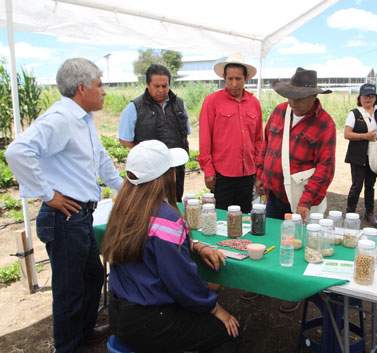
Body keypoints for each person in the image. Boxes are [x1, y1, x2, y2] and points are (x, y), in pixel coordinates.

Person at [5, 58, 123, 353]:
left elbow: (101, 162)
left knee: (94, 276)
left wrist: (126, 190)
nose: (104, 91)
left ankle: (83, 332)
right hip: (63, 217)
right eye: (99, 84)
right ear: (82, 88)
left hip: (80, 217)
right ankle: (68, 347)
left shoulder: (83, 119)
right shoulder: (60, 119)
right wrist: (47, 194)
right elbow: (17, 151)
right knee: (69, 291)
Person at [101, 140, 240, 352]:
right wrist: (214, 307)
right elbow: (182, 283)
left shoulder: (122, 208)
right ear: (166, 176)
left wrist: (194, 245)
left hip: (118, 315)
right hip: (150, 321)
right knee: (229, 334)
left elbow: (148, 240)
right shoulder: (166, 218)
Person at [255, 67, 336, 312]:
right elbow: (266, 145)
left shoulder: (325, 124)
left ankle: (292, 292)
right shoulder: (280, 112)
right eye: (290, 96)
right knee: (270, 239)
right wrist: (260, 174)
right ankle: (263, 283)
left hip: (300, 197)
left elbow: (325, 168)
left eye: (299, 98)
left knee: (296, 245)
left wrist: (306, 201)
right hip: (274, 192)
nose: (293, 102)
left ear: (314, 97)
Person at [198, 53, 263, 213]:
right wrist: (209, 170)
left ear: (246, 78)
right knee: (221, 218)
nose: (234, 84)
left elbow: (258, 140)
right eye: (230, 79)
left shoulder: (254, 103)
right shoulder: (212, 101)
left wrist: (258, 171)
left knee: (245, 217)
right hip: (222, 173)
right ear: (224, 77)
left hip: (247, 173)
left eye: (238, 79)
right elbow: (205, 139)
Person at [118, 64, 191, 202]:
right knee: (150, 205)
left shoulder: (179, 104)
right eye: (156, 86)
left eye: (165, 86)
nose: (161, 90)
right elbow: (125, 138)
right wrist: (146, 156)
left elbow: (185, 132)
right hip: (150, 172)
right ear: (147, 84)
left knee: (175, 202)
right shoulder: (134, 107)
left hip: (176, 169)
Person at [344, 83, 377, 226]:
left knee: (370, 185)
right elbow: (347, 134)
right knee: (356, 185)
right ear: (360, 97)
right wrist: (365, 136)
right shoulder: (354, 113)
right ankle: (350, 213)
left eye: (371, 96)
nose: (368, 99)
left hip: (375, 156)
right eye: (365, 96)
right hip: (358, 155)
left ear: (375, 98)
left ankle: (370, 213)